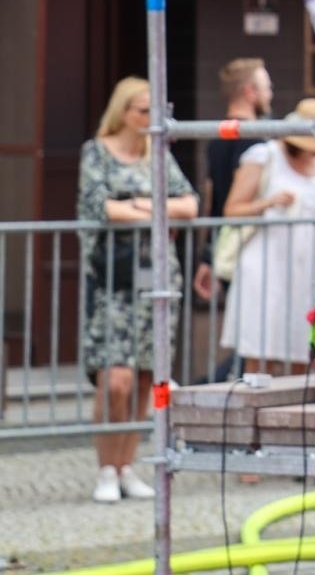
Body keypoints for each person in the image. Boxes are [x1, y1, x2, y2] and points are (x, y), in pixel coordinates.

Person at [79, 77, 199, 504]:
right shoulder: (97, 151)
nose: (151, 118)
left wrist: (139, 205)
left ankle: (126, 465)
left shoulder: (157, 153)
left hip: (158, 278)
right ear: (124, 112)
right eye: (143, 110)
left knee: (147, 375)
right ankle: (105, 467)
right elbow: (100, 207)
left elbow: (189, 204)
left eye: (155, 111)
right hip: (113, 282)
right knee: (116, 379)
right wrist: (155, 210)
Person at [220, 98, 315, 374]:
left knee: (305, 351)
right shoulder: (264, 156)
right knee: (260, 350)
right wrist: (268, 202)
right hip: (267, 265)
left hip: (308, 268)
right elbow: (232, 209)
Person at [192, 58, 273, 310]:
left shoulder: (217, 140)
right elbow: (218, 202)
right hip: (253, 246)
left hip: (229, 246)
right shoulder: (255, 141)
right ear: (250, 91)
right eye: (267, 88)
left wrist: (208, 256)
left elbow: (211, 202)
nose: (271, 95)